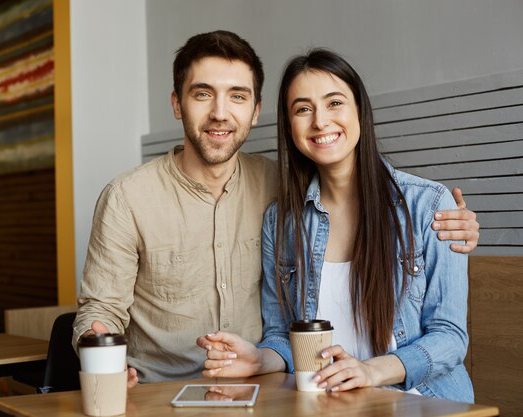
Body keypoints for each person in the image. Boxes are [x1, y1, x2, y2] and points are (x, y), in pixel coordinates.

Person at [73, 32, 479, 387]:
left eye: (237, 96)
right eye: (202, 94)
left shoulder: (288, 193)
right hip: (171, 393)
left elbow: (448, 333)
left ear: (255, 111)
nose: (219, 112)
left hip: (330, 396)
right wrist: (101, 354)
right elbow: (282, 336)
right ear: (177, 104)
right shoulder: (278, 212)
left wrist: (460, 225)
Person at [197, 49, 474, 402]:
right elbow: (283, 335)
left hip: (424, 402)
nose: (320, 122)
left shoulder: (429, 205)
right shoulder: (281, 222)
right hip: (331, 406)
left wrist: (370, 370)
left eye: (334, 103)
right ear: (290, 125)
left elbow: (450, 337)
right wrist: (258, 359)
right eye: (302, 109)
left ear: (360, 109)